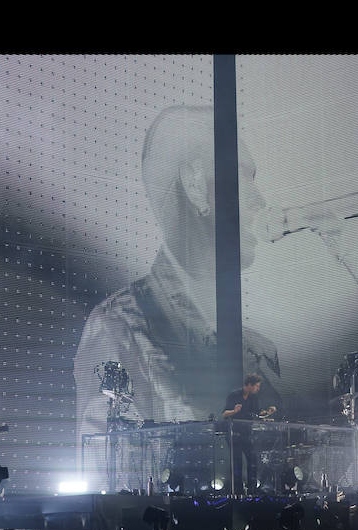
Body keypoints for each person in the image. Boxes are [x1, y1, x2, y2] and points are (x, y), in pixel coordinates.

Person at [73, 105, 285, 463]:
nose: (260, 199)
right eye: (243, 178)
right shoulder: (117, 328)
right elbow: (105, 471)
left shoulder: (260, 350)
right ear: (195, 185)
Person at [222, 374, 277, 495]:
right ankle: (238, 490)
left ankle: (252, 489)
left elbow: (258, 414)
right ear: (249, 385)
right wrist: (234, 411)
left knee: (252, 460)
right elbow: (224, 414)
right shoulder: (234, 395)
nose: (258, 388)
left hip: (246, 434)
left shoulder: (254, 398)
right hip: (234, 435)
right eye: (256, 386)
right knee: (237, 463)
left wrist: (268, 412)